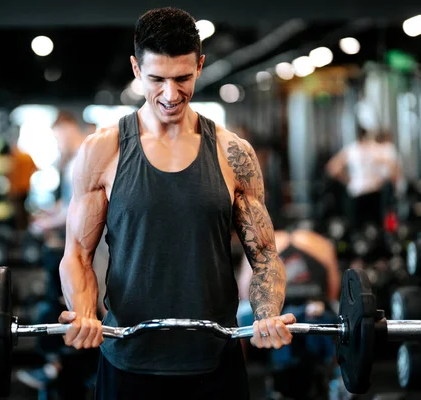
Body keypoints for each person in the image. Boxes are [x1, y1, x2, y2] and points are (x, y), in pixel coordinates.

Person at [57, 7, 295, 399]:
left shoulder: (233, 153)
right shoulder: (103, 151)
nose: (170, 94)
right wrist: (84, 314)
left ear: (200, 65)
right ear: (136, 69)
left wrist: (267, 315)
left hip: (214, 362)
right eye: (157, 79)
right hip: (127, 361)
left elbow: (266, 254)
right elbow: (78, 254)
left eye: (183, 78)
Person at [17, 111, 106, 397]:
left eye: (58, 137)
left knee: (95, 313)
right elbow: (70, 205)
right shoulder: (74, 162)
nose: (58, 144)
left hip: (97, 251)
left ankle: (90, 373)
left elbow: (77, 211)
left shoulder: (84, 158)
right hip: (85, 249)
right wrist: (49, 215)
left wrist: (47, 221)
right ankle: (65, 368)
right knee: (74, 310)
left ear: (68, 129)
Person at [238, 227, 344, 399]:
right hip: (314, 309)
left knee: (237, 318)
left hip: (273, 313)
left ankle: (238, 384)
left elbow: (245, 291)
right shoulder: (321, 243)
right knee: (344, 318)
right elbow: (333, 290)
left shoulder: (258, 240)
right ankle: (340, 378)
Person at [325, 121, 402, 231]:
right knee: (377, 227)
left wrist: (348, 180)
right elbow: (395, 169)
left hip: (358, 191)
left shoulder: (352, 149)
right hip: (374, 192)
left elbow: (332, 168)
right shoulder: (376, 149)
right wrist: (386, 180)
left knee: (356, 228)